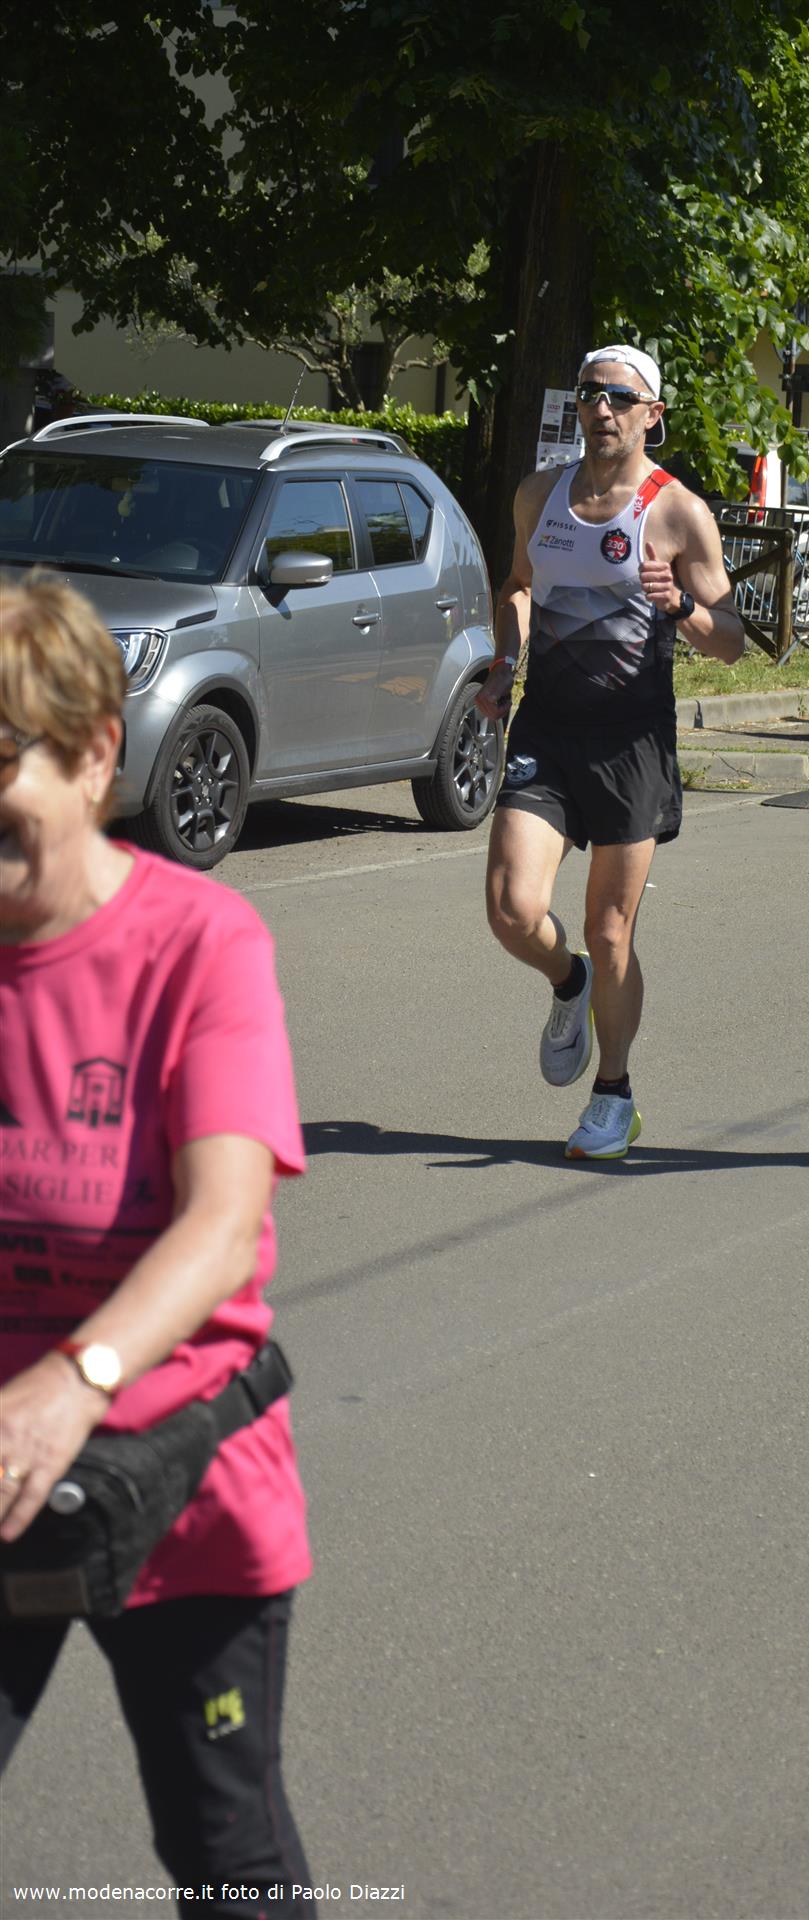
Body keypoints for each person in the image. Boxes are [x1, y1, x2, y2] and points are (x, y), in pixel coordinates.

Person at [0, 577, 313, 1917]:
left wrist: (74, 1380)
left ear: (94, 755)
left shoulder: (198, 943)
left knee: (224, 1857)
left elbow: (222, 1224)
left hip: (179, 1483)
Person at [476, 346, 744, 1160]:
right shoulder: (539, 494)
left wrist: (682, 608)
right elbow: (519, 585)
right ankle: (570, 981)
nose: (601, 408)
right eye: (591, 393)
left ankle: (614, 1095)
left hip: (632, 744)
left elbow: (732, 640)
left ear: (651, 415)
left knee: (610, 928)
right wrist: (506, 660)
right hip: (548, 731)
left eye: (620, 398)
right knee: (512, 909)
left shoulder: (678, 513)